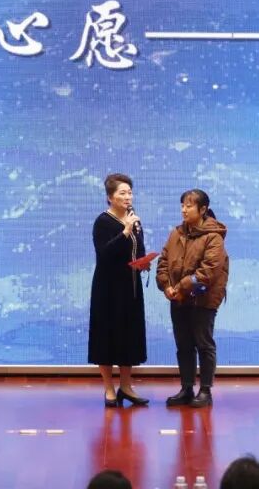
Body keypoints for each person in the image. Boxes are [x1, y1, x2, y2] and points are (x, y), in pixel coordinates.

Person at [157, 188, 229, 408]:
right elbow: (163, 262)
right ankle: (186, 388)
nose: (184, 210)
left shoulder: (214, 237)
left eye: (188, 206)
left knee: (204, 344)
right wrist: (166, 286)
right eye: (182, 205)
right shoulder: (176, 233)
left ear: (203, 209)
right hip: (178, 300)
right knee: (184, 345)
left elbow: (208, 272)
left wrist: (181, 287)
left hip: (202, 300)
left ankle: (205, 391)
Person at [88, 173, 149, 407]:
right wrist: (124, 232)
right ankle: (109, 388)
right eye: (122, 193)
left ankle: (126, 386)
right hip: (107, 288)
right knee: (106, 336)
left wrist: (144, 262)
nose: (128, 197)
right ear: (110, 197)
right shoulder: (103, 222)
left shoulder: (135, 220)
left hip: (130, 286)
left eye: (130, 192)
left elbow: (138, 249)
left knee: (129, 335)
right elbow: (104, 255)